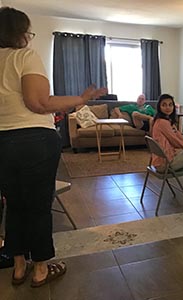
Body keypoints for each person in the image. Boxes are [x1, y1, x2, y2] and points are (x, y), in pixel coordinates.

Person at [0, 7, 107, 287]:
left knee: (14, 205)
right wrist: (81, 98)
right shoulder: (25, 56)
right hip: (33, 139)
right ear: (20, 33)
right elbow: (39, 103)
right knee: (37, 207)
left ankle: (19, 266)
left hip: (2, 143)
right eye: (28, 32)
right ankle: (40, 269)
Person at [151, 94, 183, 202]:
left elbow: (178, 136)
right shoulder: (163, 122)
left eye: (170, 105)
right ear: (159, 107)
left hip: (160, 160)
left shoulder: (166, 120)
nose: (168, 107)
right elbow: (176, 142)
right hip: (164, 164)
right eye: (164, 105)